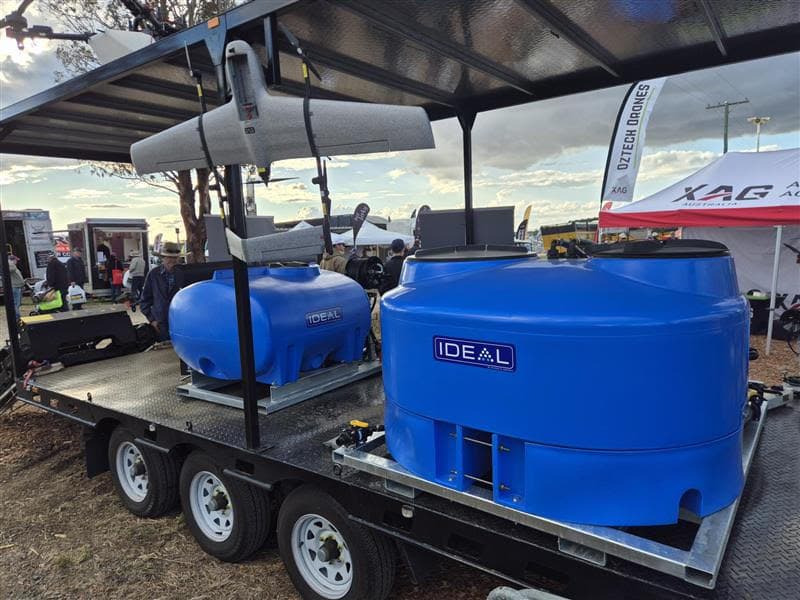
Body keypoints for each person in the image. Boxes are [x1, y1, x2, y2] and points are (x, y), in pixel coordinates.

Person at [140, 241, 182, 341]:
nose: (172, 260)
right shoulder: (153, 274)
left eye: (175, 257)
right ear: (162, 258)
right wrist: (152, 320)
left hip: (179, 319)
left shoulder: (181, 274)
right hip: (160, 322)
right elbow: (145, 300)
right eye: (169, 257)